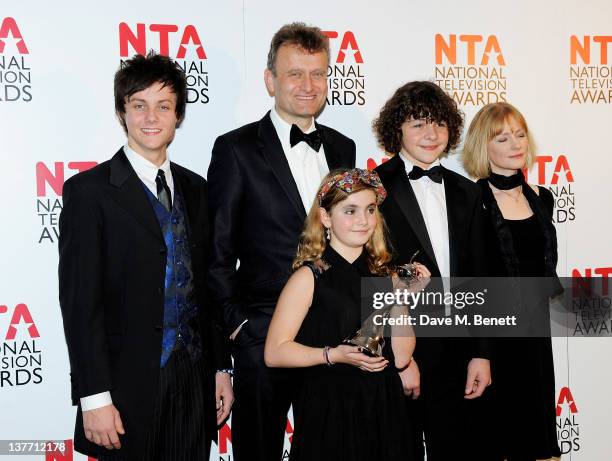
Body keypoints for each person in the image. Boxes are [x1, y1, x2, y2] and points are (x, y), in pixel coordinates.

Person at [58, 51, 232, 460]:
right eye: (139, 105)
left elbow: (208, 287)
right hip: (123, 387)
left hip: (193, 379)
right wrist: (93, 397)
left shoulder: (196, 189)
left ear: (178, 116)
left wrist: (221, 368)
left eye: (163, 106)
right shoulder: (89, 192)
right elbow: (81, 303)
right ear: (123, 112)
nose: (151, 117)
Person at [207, 22, 356, 461]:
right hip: (263, 337)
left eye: (318, 73)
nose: (308, 85)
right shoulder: (235, 149)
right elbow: (216, 254)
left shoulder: (343, 147)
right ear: (270, 79)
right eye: (295, 73)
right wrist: (238, 328)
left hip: (333, 338)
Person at [264, 168, 429, 460]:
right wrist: (332, 355)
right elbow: (275, 352)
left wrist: (401, 298)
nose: (363, 220)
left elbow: (401, 357)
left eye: (370, 209)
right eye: (350, 211)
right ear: (326, 217)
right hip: (329, 408)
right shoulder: (310, 276)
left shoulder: (387, 275)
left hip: (384, 408)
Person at [372, 81, 492, 460]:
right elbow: (369, 274)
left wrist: (481, 353)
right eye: (418, 124)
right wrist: (398, 360)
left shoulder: (467, 192)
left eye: (439, 124)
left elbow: (480, 275)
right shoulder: (373, 188)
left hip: (457, 351)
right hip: (400, 348)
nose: (431, 134)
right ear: (397, 130)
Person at [462, 102, 562, 460]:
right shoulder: (471, 200)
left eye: (519, 135)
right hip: (492, 339)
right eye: (502, 138)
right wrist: (480, 353)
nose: (515, 144)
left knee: (535, 440)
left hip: (535, 337)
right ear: (482, 146)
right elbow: (471, 280)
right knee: (495, 439)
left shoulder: (542, 199)